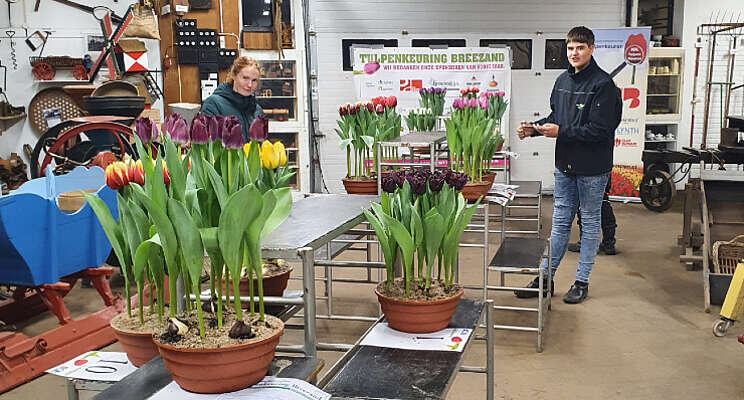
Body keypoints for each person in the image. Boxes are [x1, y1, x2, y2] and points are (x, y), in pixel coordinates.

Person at [514, 26, 622, 304]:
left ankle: (581, 282)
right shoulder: (562, 80)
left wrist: (559, 132)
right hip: (565, 166)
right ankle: (545, 278)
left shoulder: (603, 86)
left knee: (589, 223)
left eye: (580, 47)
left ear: (591, 48)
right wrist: (535, 129)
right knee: (559, 225)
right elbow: (556, 116)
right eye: (570, 47)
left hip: (593, 170)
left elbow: (600, 130)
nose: (574, 53)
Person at [201, 56, 264, 141]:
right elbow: (208, 145)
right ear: (233, 75)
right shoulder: (213, 104)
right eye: (245, 78)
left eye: (254, 80)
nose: (249, 85)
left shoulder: (257, 110)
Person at [567, 178, 617, 255]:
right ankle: (609, 245)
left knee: (585, 218)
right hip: (601, 190)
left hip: (586, 190)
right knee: (607, 218)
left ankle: (584, 244)